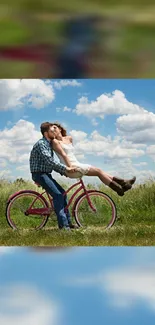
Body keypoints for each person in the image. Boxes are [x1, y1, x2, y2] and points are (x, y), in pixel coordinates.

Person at [50, 122, 136, 196]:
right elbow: (64, 155)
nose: (53, 130)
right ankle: (119, 189)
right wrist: (69, 168)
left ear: (60, 129)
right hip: (70, 167)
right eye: (51, 129)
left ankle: (124, 183)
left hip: (76, 163)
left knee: (100, 171)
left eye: (55, 127)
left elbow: (70, 153)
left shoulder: (69, 138)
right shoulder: (55, 142)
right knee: (98, 171)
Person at [29, 122, 79, 230]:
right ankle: (64, 226)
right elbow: (50, 161)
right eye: (52, 131)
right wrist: (66, 169)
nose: (54, 133)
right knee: (58, 196)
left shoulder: (48, 143)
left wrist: (63, 172)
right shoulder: (42, 144)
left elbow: (51, 163)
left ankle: (68, 222)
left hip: (45, 174)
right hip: (40, 174)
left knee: (63, 194)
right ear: (46, 133)